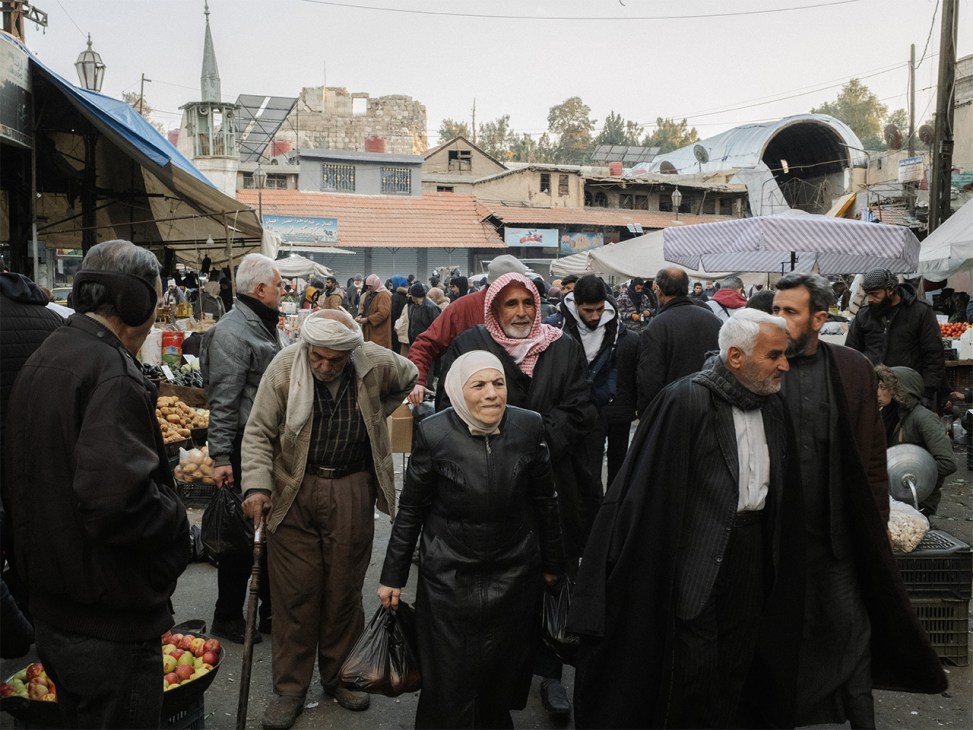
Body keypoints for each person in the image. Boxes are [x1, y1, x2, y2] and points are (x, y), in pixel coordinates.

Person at [568, 308, 801, 728]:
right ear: (735, 356)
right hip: (694, 559)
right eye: (774, 356)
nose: (784, 365)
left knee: (736, 663)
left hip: (750, 556)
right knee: (690, 671)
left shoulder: (773, 405)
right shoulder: (686, 400)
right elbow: (646, 492)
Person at [3, 240, 190, 728]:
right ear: (135, 301)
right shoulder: (112, 374)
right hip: (108, 622)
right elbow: (117, 503)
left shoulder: (50, 353)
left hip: (56, 610)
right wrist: (175, 521)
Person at [771, 272, 946, 728]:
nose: (779, 319)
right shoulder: (765, 365)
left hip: (838, 536)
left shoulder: (850, 369)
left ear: (818, 318)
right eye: (775, 309)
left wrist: (877, 524)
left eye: (789, 311)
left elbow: (872, 458)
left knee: (851, 632)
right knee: (781, 638)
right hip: (775, 539)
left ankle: (861, 721)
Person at [241, 310, 417, 730]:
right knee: (295, 596)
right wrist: (256, 487)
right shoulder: (285, 366)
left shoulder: (372, 361)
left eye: (334, 360)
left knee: (343, 591)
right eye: (317, 357)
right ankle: (290, 689)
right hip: (294, 489)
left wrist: (376, 412)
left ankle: (340, 676)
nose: (323, 366)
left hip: (352, 486)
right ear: (307, 348)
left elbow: (409, 375)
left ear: (349, 352)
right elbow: (259, 431)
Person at [437, 271, 598, 720]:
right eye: (510, 305)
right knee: (493, 587)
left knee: (551, 575)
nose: (522, 313)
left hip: (553, 485)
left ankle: (550, 675)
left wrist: (540, 439)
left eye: (527, 304)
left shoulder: (561, 346)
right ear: (493, 309)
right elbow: (446, 405)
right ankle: (490, 680)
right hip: (487, 487)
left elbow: (582, 406)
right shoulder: (470, 345)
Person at [377, 351, 563, 729]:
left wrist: (553, 564)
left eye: (498, 383)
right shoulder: (434, 431)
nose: (492, 393)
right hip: (450, 578)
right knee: (449, 678)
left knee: (500, 673)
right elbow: (411, 509)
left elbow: (546, 501)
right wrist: (392, 576)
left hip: (514, 574)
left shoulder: (529, 427)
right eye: (478, 385)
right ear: (458, 391)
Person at [200, 253, 288, 643]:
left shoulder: (265, 324)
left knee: (267, 529)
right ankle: (228, 615)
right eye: (280, 284)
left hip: (268, 442)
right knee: (242, 535)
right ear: (260, 289)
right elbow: (223, 400)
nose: (284, 289)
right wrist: (221, 457)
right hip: (241, 444)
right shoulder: (232, 332)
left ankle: (268, 611)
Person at [546, 274, 638, 487]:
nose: (596, 316)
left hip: (596, 412)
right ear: (576, 304)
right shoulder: (555, 326)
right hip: (561, 413)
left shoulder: (612, 325)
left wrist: (607, 393)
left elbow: (612, 364)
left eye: (599, 309)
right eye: (588, 311)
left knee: (591, 478)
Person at [406, 254, 527, 406]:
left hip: (515, 405)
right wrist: (418, 381)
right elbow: (425, 344)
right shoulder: (462, 308)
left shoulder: (526, 311)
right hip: (464, 402)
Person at [845, 268, 946, 409]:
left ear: (891, 290)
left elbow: (934, 355)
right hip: (872, 393)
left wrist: (927, 392)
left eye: (875, 294)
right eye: (868, 295)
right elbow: (851, 355)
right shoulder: (864, 316)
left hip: (909, 393)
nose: (870, 299)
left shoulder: (920, 312)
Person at [637, 267, 722, 416]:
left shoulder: (657, 326)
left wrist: (648, 415)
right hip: (711, 407)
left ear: (660, 290)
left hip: (673, 411)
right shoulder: (713, 320)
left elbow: (650, 378)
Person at [876, 365, 956, 514]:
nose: (878, 393)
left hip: (916, 499)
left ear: (899, 390)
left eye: (883, 387)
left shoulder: (924, 418)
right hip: (891, 496)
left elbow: (948, 462)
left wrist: (911, 474)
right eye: (878, 387)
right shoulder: (886, 416)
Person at [356, 274, 392, 349]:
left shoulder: (383, 295)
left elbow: (383, 313)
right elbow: (365, 308)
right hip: (369, 331)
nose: (368, 288)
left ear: (376, 284)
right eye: (368, 286)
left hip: (379, 333)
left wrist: (368, 319)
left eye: (371, 286)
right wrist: (361, 315)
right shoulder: (371, 294)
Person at [406, 282, 440, 351]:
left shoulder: (431, 307)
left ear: (414, 295)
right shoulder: (414, 306)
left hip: (426, 345)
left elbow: (437, 327)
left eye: (411, 294)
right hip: (415, 343)